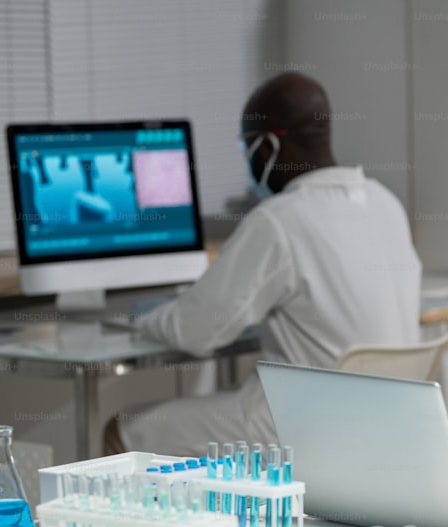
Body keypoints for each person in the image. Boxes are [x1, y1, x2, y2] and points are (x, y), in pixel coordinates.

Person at [104, 72, 422, 457]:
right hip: (389, 422)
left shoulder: (278, 220)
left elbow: (196, 332)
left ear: (268, 148)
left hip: (304, 426)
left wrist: (145, 314)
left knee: (123, 430)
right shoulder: (385, 203)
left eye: (246, 147)